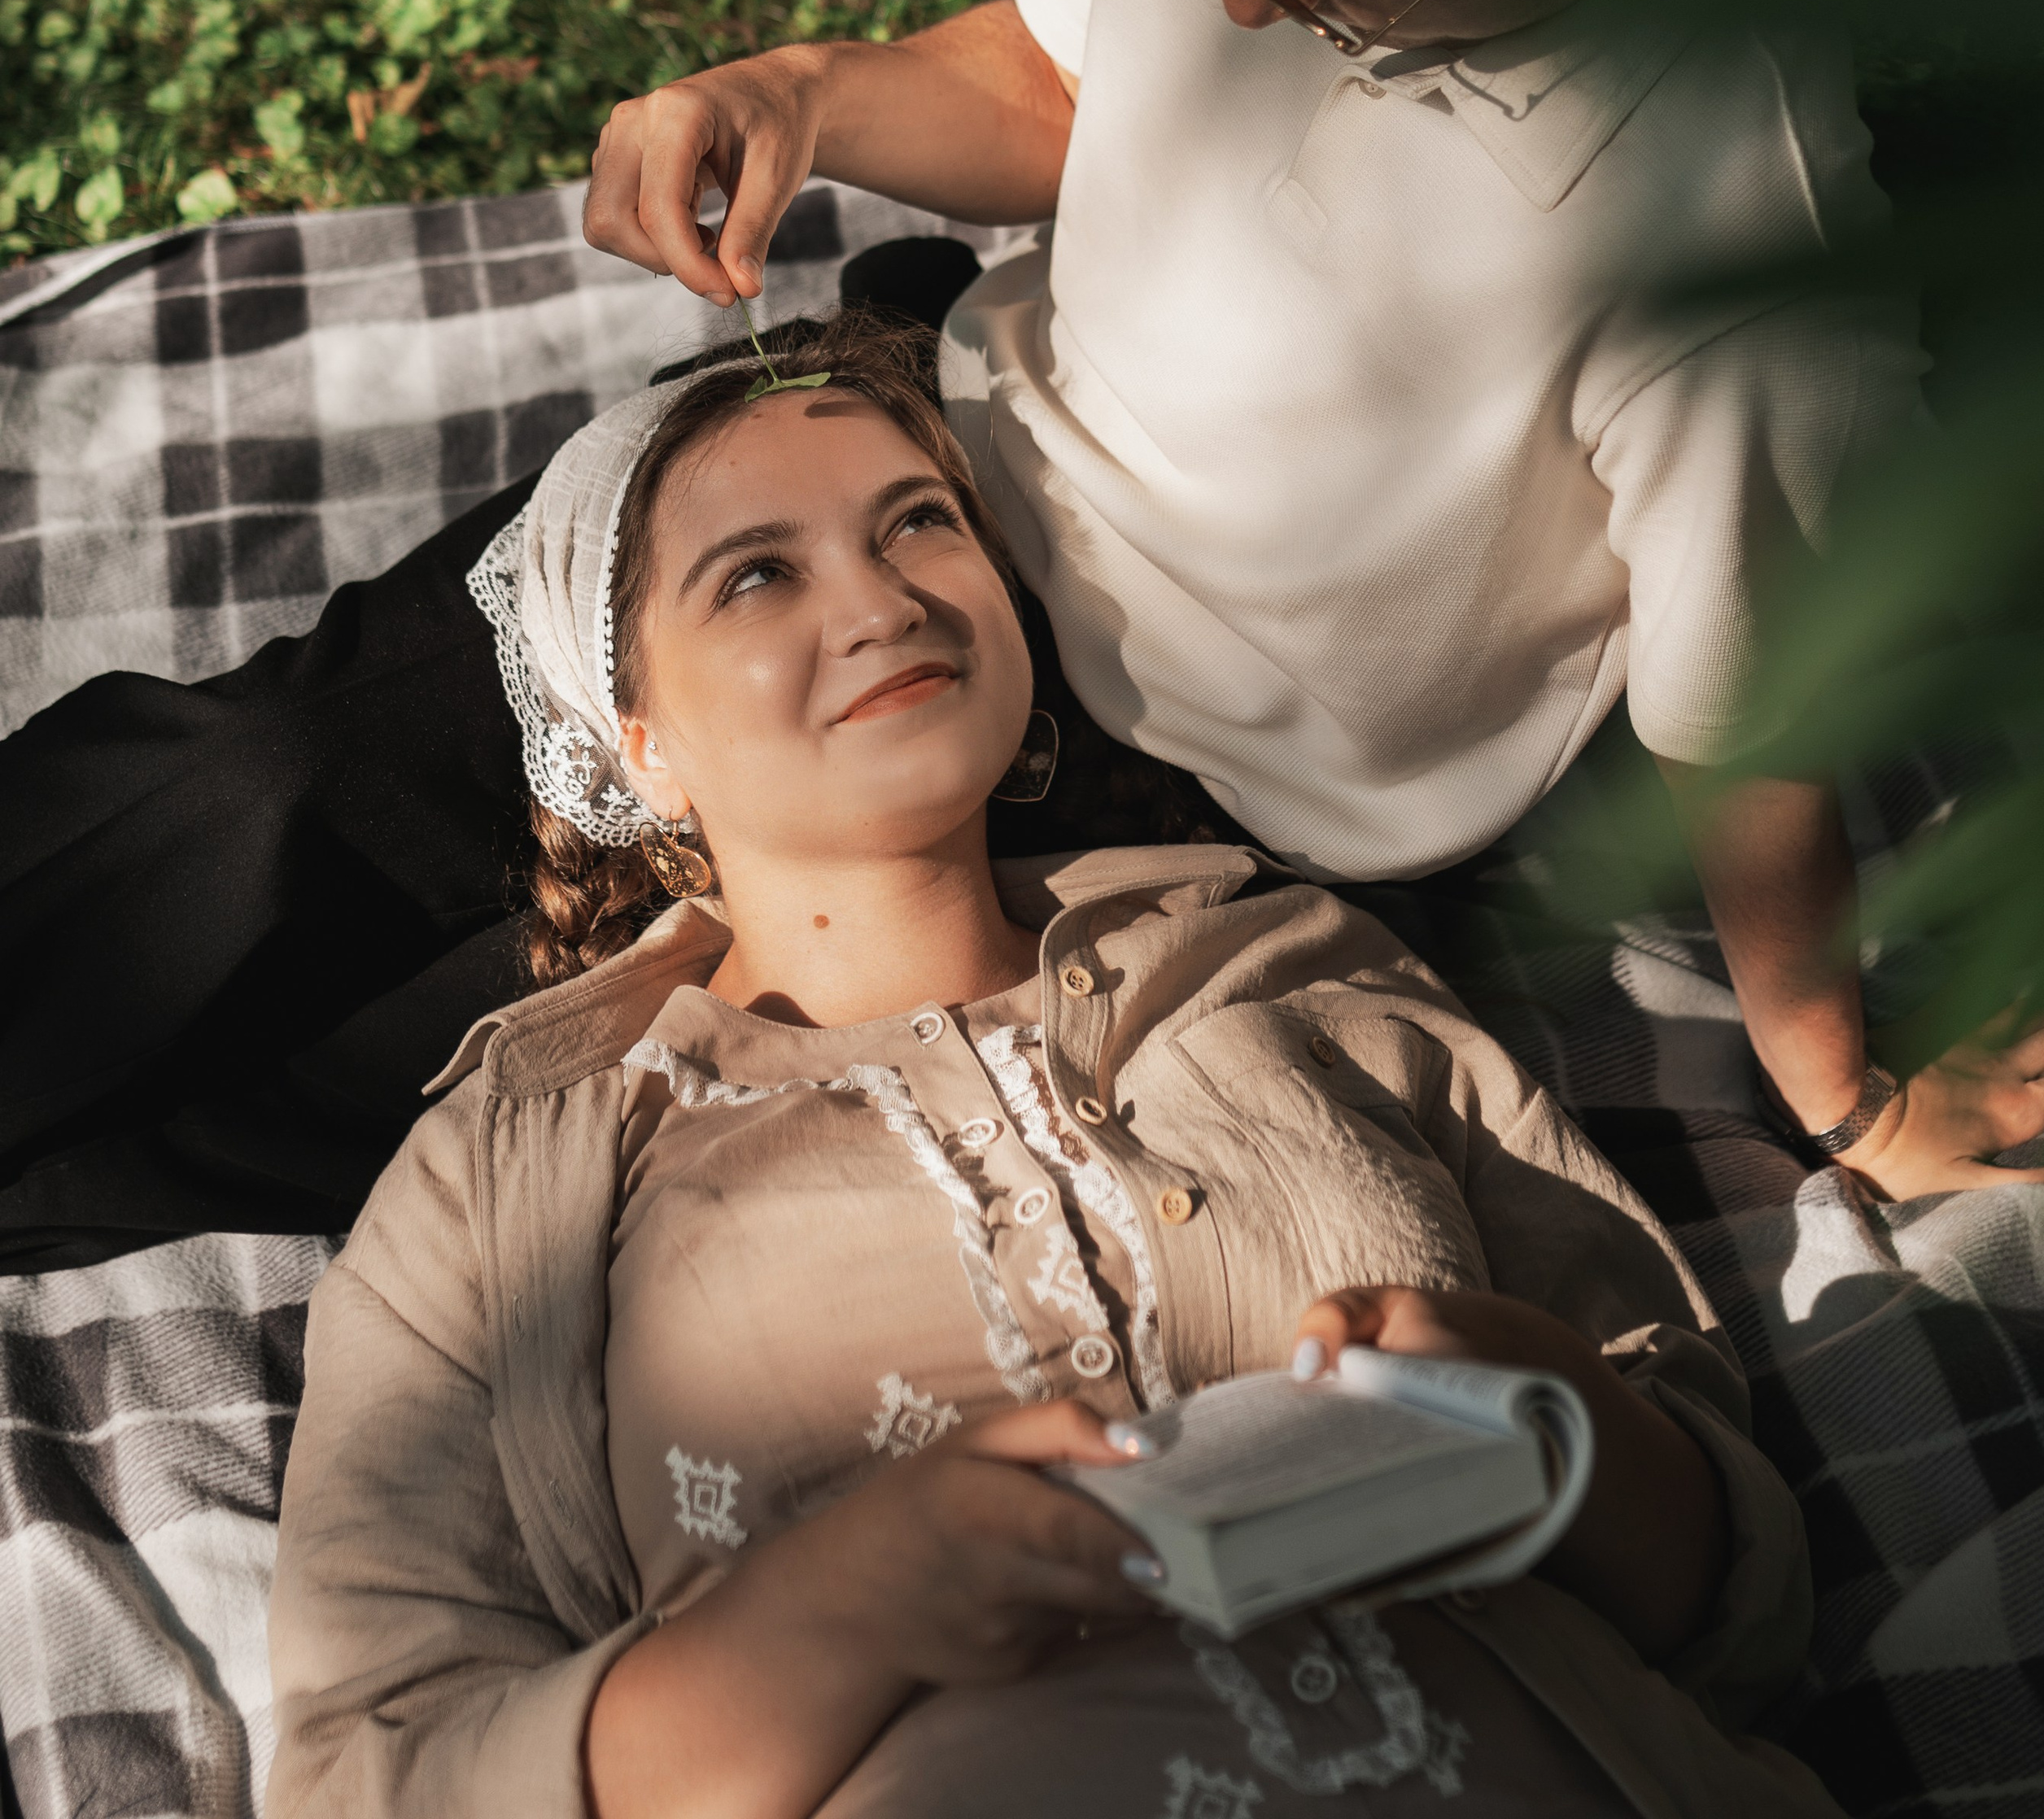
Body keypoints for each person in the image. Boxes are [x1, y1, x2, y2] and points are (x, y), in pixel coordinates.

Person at [580, 0, 2044, 1203]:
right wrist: (796, 91)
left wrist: (1838, 1092)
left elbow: (1746, 721)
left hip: (1167, 774)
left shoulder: (1726, 235)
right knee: (305, 759)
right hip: (950, 445)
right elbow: (1064, 78)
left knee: (552, 1008)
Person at [265, 311, 1839, 1819]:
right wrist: (843, 1609)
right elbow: (371, 1780)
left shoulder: (1299, 962)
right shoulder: (503, 1173)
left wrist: (1556, 1414)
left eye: (919, 524)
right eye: (756, 575)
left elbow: (1746, 1602)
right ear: (636, 739)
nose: (882, 604)